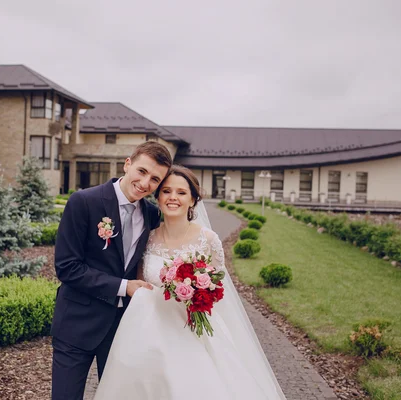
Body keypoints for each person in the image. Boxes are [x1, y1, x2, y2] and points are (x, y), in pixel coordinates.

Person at [93, 165, 286, 400]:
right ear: (158, 196)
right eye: (166, 191)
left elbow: (217, 290)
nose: (173, 197)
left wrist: (195, 294)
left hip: (191, 329)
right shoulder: (148, 237)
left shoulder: (208, 240)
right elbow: (141, 281)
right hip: (145, 327)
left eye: (181, 193)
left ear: (193, 200)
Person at [51, 142, 172, 400]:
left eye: (154, 179)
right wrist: (123, 286)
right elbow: (66, 267)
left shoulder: (151, 215)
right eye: (141, 171)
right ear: (127, 164)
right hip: (76, 323)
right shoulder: (84, 202)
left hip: (122, 328)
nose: (144, 183)